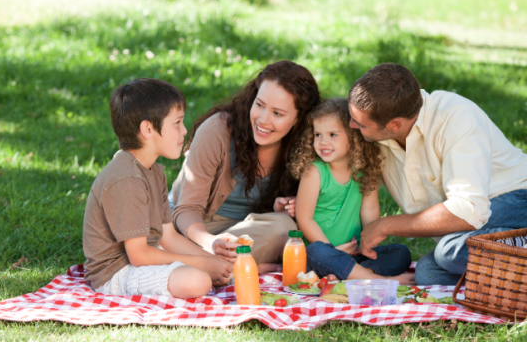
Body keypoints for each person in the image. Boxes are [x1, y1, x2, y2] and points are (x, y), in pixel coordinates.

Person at [347, 63, 527, 285]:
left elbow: (469, 210)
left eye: (360, 123)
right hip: (472, 227)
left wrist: (386, 225)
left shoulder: (456, 118)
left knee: (449, 252)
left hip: (517, 200)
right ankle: (512, 275)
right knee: (429, 273)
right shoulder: (380, 134)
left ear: (394, 125)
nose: (351, 125)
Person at [83, 78, 232, 298]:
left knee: (216, 269)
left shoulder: (154, 171)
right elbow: (139, 256)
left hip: (146, 257)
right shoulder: (126, 178)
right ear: (148, 129)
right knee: (198, 280)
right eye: (177, 122)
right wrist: (202, 264)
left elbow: (168, 237)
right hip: (116, 273)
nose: (184, 130)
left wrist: (211, 260)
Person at [170, 61, 321, 274]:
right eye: (259, 105)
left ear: (299, 119)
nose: (263, 120)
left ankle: (210, 267)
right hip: (195, 228)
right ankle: (237, 267)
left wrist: (286, 208)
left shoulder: (306, 148)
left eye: (277, 113)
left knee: (284, 228)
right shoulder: (217, 131)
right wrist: (210, 242)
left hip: (246, 233)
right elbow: (186, 209)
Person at [289, 98, 413, 284]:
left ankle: (353, 274)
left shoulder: (365, 171)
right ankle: (376, 279)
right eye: (317, 135)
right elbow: (304, 219)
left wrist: (367, 245)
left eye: (332, 135)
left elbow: (370, 212)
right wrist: (332, 250)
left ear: (353, 137)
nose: (323, 142)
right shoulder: (314, 172)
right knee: (317, 251)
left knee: (401, 254)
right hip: (320, 257)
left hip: (353, 254)